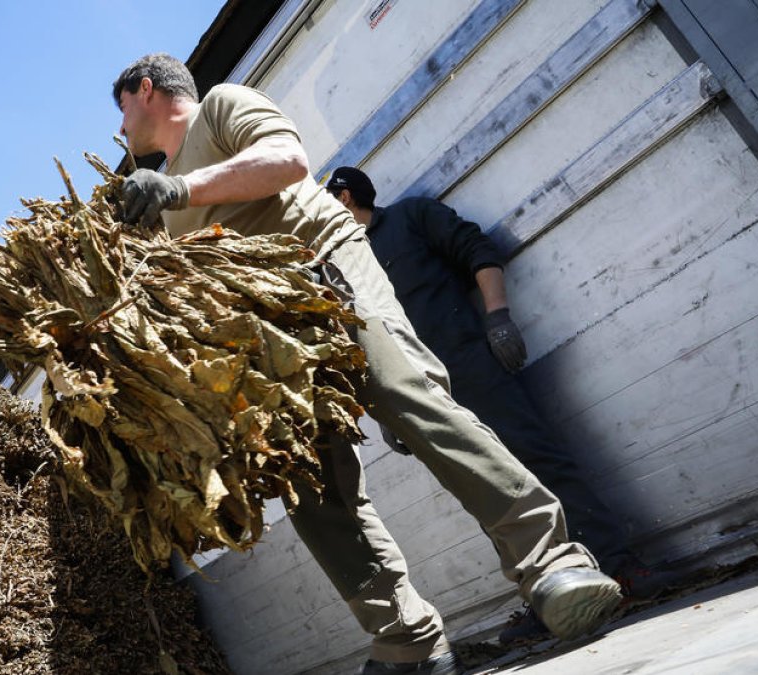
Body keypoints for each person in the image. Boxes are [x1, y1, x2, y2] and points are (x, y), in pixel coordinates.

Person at [112, 53, 622, 675]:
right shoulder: (160, 201)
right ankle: (405, 639)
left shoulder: (221, 106)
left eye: (121, 112)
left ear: (146, 90)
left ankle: (550, 562)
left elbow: (286, 162)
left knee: (411, 403)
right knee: (307, 484)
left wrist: (183, 186)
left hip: (324, 273)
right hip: (264, 334)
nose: (119, 132)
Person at [324, 168, 678, 644]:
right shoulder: (344, 266)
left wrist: (498, 319)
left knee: (540, 462)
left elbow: (479, 252)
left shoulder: (411, 217)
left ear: (343, 198)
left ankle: (621, 570)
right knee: (486, 494)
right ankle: (544, 594)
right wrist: (388, 412)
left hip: (472, 368)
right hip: (423, 400)